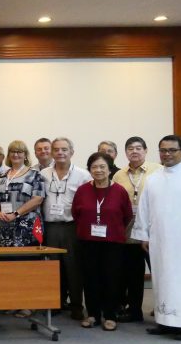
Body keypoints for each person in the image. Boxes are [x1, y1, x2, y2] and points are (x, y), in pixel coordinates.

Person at [72, 152, 132, 331]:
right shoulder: (83, 190)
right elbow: (76, 213)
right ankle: (93, 315)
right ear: (89, 169)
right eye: (94, 167)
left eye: (102, 167)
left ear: (110, 169)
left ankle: (110, 315)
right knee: (90, 278)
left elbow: (127, 216)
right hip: (88, 242)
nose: (98, 170)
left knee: (111, 279)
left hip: (112, 242)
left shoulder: (119, 191)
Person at [132, 134, 181, 340]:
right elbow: (144, 209)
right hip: (159, 239)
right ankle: (165, 322)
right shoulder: (153, 178)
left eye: (172, 150)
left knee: (180, 281)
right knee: (161, 279)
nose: (167, 154)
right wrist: (143, 235)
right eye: (163, 150)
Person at [39, 137, 92, 320]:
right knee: (53, 267)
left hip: (72, 226)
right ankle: (56, 303)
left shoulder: (83, 175)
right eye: (56, 149)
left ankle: (76, 305)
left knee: (73, 267)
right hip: (50, 226)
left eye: (64, 149)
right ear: (52, 152)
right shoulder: (43, 173)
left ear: (71, 152)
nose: (60, 153)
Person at [112, 136, 161, 323]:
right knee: (133, 275)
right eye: (130, 148)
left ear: (146, 151)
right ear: (125, 152)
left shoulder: (158, 171)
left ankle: (164, 310)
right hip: (130, 232)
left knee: (159, 273)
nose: (134, 151)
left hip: (154, 231)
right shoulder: (119, 175)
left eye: (138, 148)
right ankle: (134, 311)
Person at [0, 140, 45, 252]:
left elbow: (37, 199)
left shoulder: (34, 175)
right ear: (8, 155)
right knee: (3, 265)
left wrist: (16, 214)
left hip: (25, 230)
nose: (15, 154)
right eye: (12, 151)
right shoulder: (1, 176)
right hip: (2, 229)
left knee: (25, 265)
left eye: (19, 151)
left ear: (25, 155)